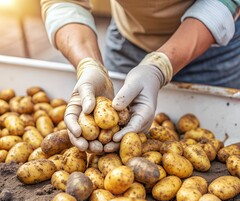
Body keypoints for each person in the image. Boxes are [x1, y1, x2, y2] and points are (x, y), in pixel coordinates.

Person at [41, 0, 240, 153]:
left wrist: (160, 67)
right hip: (128, 38)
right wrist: (89, 64)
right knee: (123, 127)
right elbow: (65, 2)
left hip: (212, 45)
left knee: (215, 130)